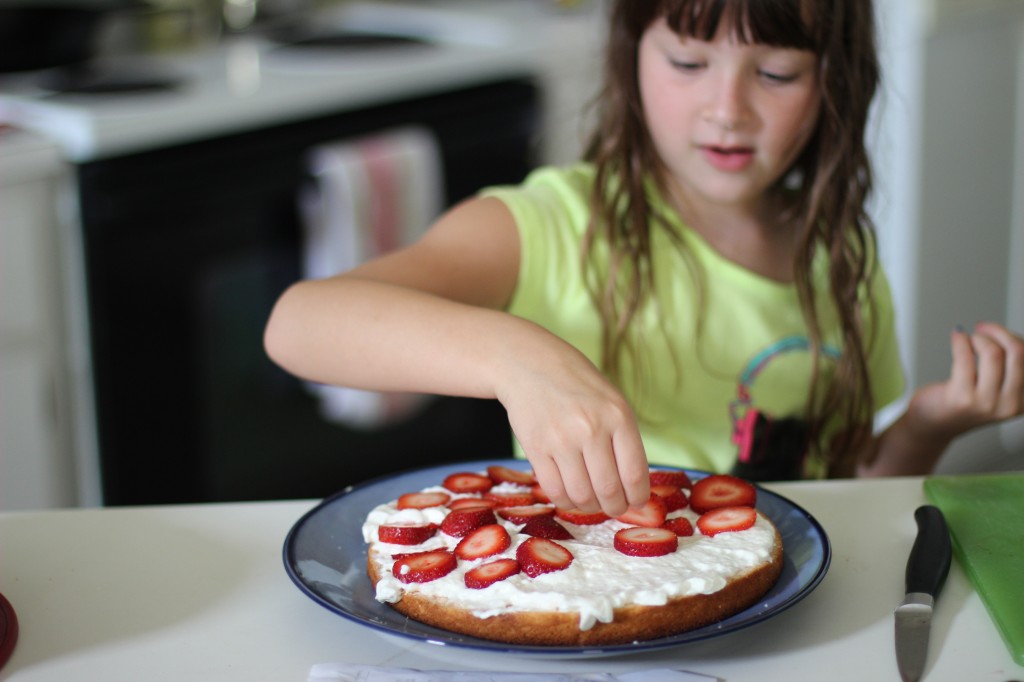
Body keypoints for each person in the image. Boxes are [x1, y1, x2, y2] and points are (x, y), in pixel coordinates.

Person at [264, 0, 1024, 517]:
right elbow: (300, 325)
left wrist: (931, 422)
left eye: (776, 73)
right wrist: (516, 359)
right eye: (689, 63)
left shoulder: (840, 260)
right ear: (632, 58)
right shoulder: (556, 225)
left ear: (835, 81)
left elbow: (852, 492)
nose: (727, 108)